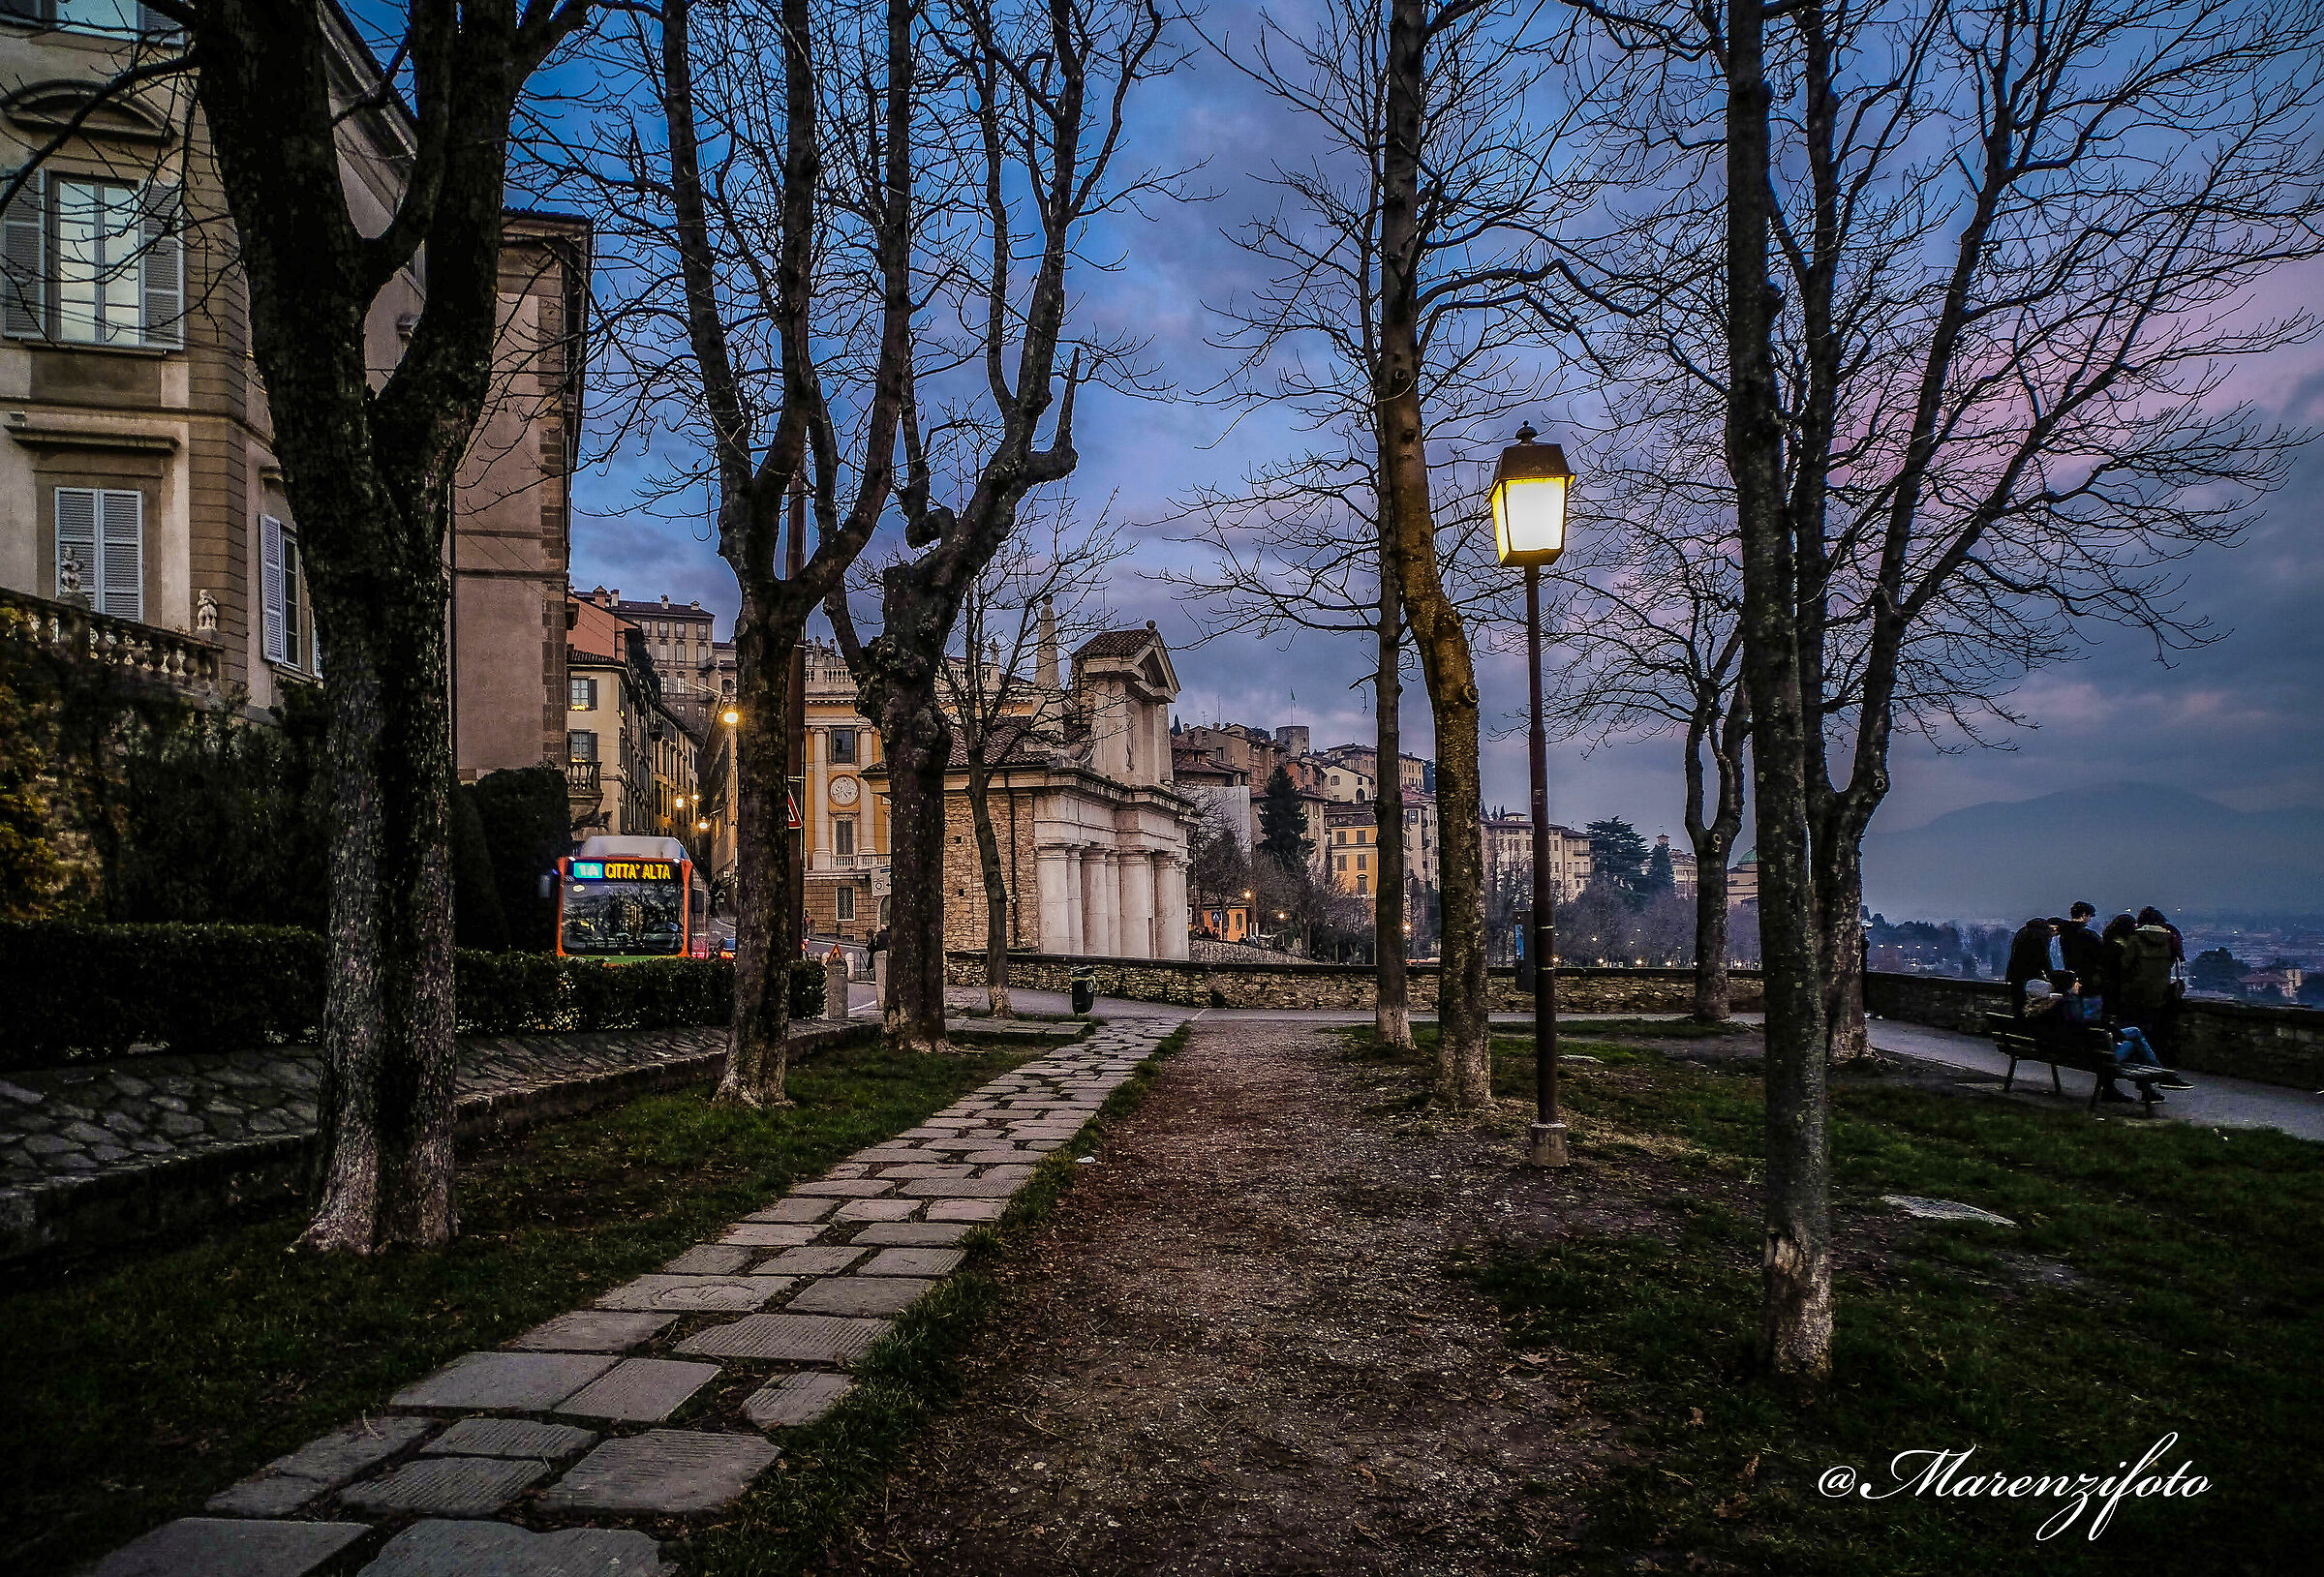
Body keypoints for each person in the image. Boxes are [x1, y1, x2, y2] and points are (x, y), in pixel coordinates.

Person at [2005, 917, 2064, 1012]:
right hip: (2030, 974)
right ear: (2054, 928)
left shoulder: (2023, 930)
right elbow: (2044, 957)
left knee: (2018, 1004)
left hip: (2015, 973)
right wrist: (2051, 975)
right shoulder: (2043, 934)